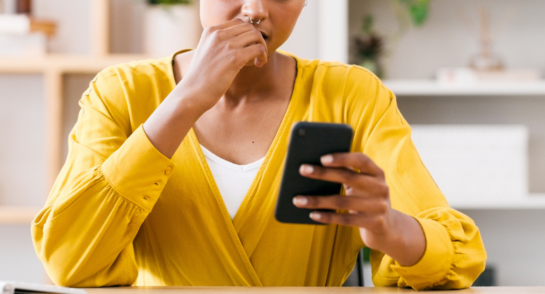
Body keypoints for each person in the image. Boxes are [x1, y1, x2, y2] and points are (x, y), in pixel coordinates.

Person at [31, 0, 486, 290]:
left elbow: (458, 253)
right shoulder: (121, 94)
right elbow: (69, 258)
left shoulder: (352, 94)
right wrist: (186, 101)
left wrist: (389, 228)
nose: (255, 9)